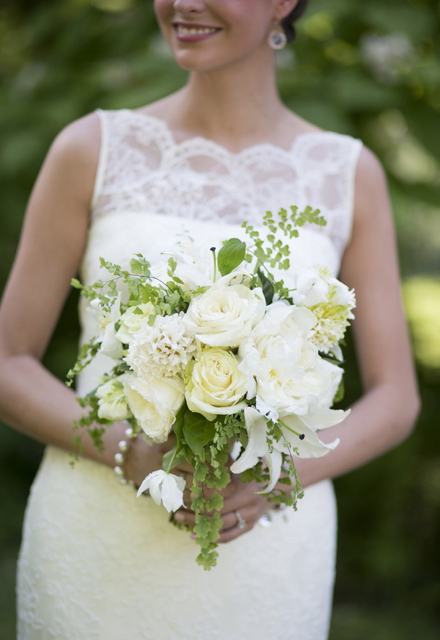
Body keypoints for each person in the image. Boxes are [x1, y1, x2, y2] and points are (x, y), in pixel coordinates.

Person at [0, 1, 420, 638]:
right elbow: (8, 361)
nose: (183, 2)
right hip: (99, 527)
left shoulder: (347, 173)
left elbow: (396, 398)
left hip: (266, 545)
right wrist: (130, 454)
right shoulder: (91, 149)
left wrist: (278, 479)